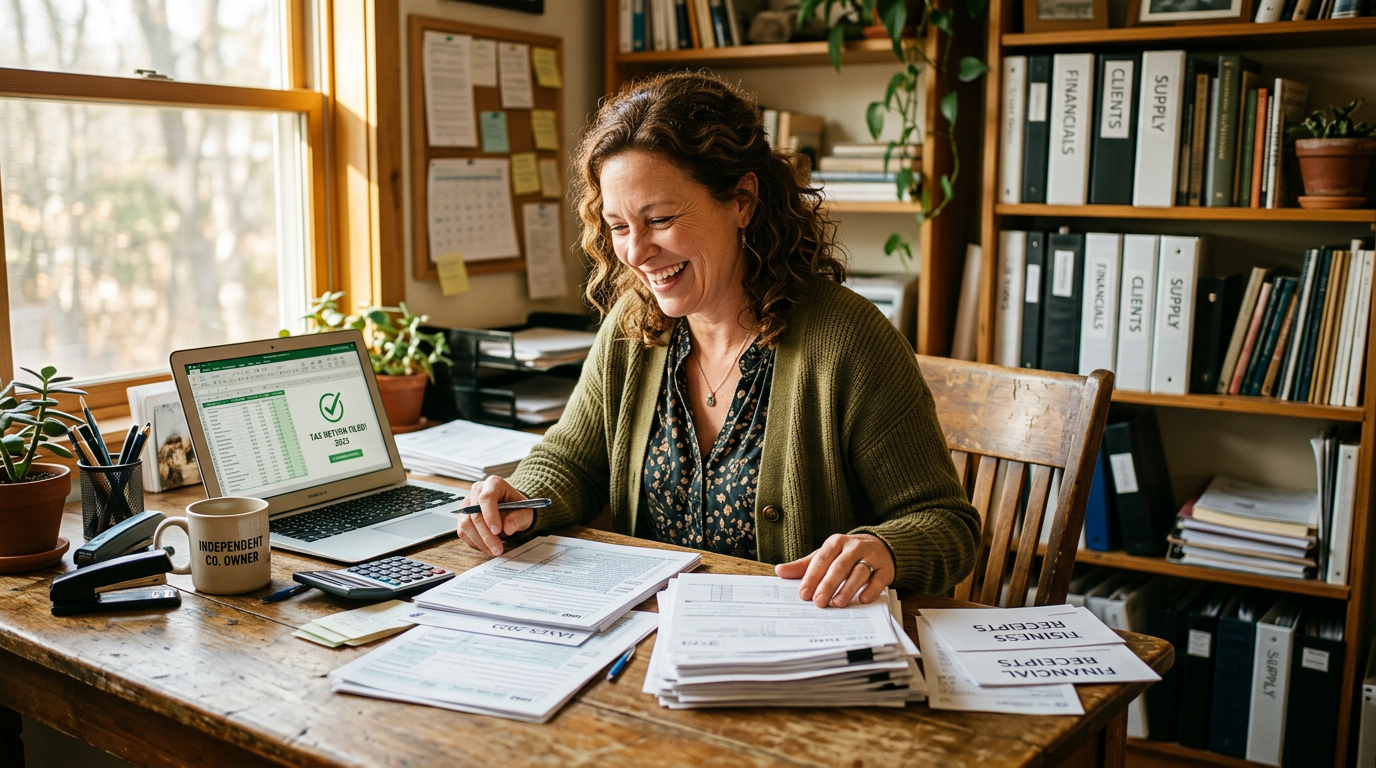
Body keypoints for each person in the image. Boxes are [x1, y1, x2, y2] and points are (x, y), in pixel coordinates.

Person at [459, 71, 980, 607]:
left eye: (658, 218)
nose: (636, 252)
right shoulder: (634, 327)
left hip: (794, 653)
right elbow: (573, 461)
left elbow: (946, 525)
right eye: (617, 226)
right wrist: (523, 497)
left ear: (742, 200)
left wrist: (882, 547)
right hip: (651, 645)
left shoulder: (847, 340)